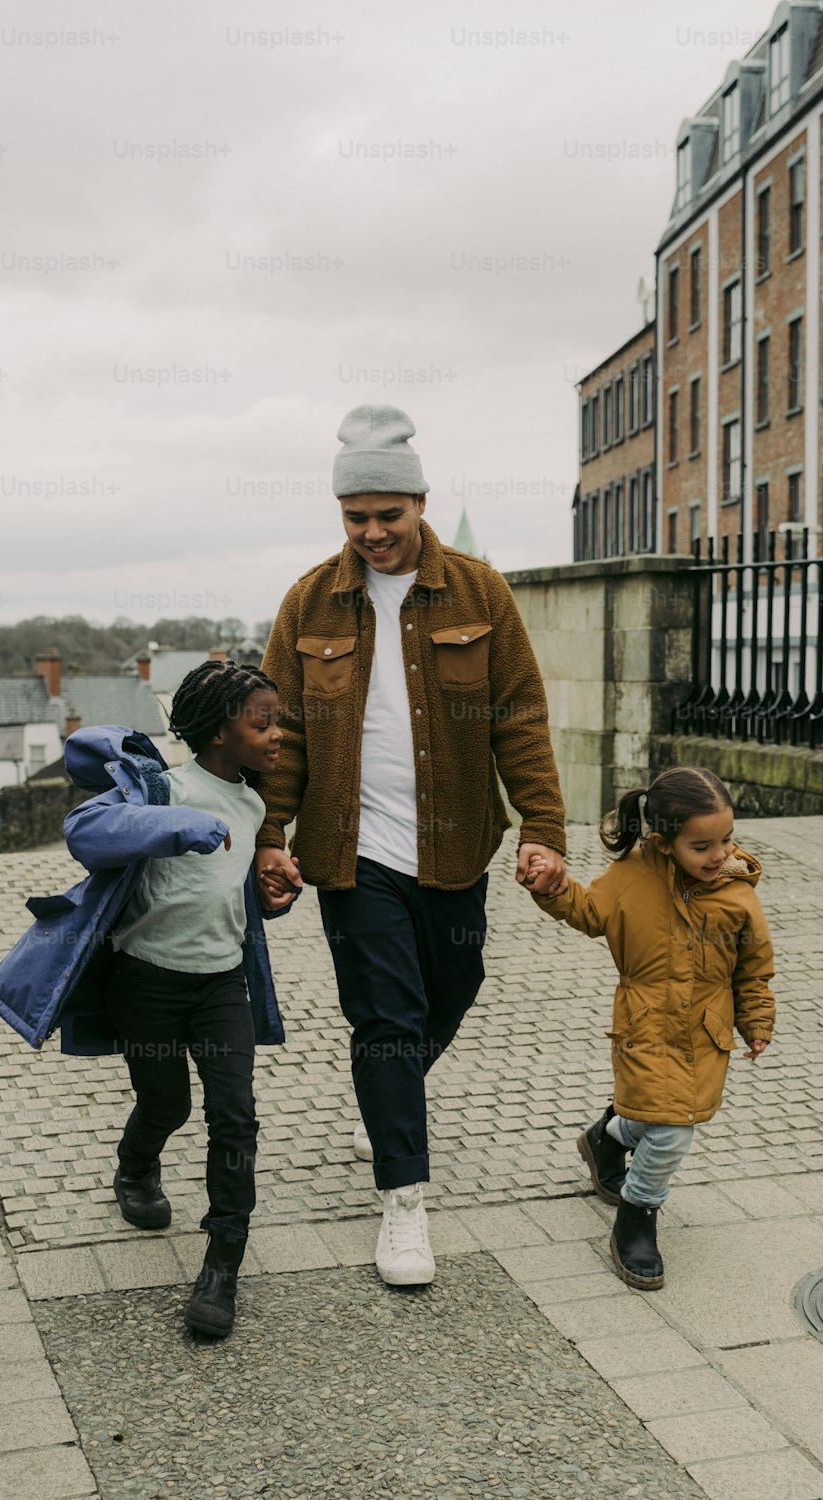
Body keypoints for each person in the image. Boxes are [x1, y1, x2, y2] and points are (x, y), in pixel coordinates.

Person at [256, 402, 567, 1286]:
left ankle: (384, 1092)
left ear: (421, 503)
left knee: (455, 985)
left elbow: (521, 718)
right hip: (350, 851)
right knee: (384, 1020)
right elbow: (285, 736)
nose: (374, 532)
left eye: (389, 515)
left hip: (456, 842)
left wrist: (544, 828)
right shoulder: (310, 601)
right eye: (356, 517)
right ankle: (404, 1204)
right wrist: (270, 837)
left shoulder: (479, 592)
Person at [0, 660, 294, 1340]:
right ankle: (136, 1164)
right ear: (218, 730)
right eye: (262, 722)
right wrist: (175, 825)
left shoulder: (255, 803)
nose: (278, 734)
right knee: (168, 1103)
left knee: (235, 1115)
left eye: (279, 722)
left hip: (221, 984)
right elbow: (85, 834)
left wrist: (272, 900)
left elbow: (224, 894)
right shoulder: (158, 788)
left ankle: (222, 1260)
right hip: (147, 982)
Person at [527, 766, 775, 1290]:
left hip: (706, 1033)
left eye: (727, 839)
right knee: (671, 1132)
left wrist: (756, 1020)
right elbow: (588, 911)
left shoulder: (737, 893)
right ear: (663, 843)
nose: (720, 855)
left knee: (662, 1120)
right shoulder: (631, 878)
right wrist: (553, 888)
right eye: (702, 845)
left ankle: (606, 1137)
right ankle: (636, 1217)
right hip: (644, 1026)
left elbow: (754, 967)